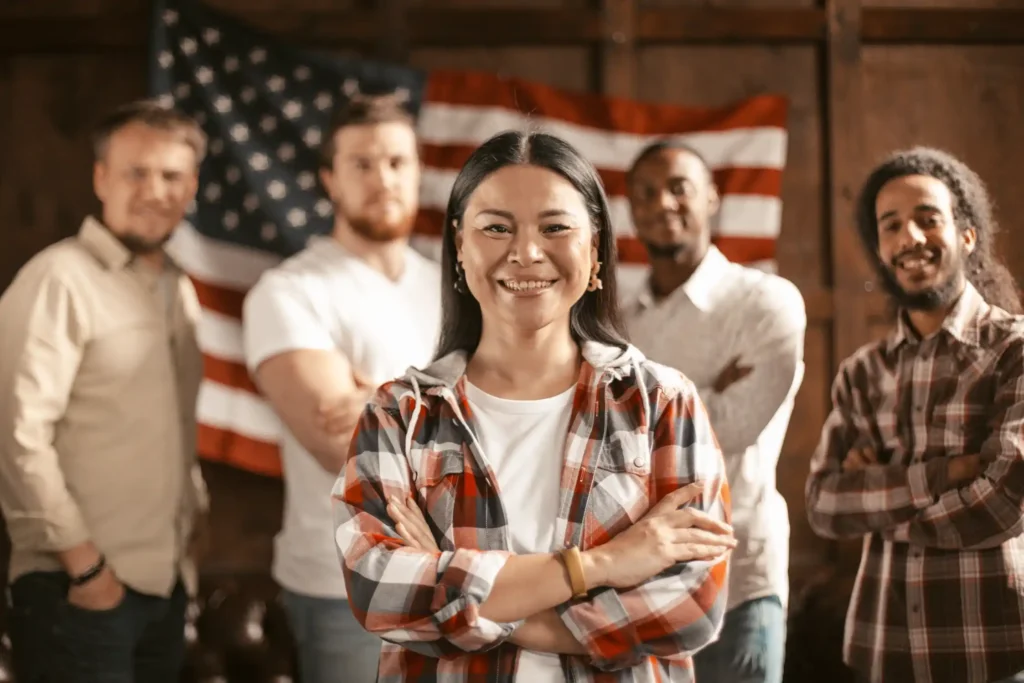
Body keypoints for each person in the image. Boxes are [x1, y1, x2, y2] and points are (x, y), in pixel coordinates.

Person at [331, 129, 737, 683]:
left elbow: (693, 605)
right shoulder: (398, 415)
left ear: (595, 249)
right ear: (459, 248)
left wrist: (457, 595)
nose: (525, 252)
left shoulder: (663, 403)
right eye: (496, 227)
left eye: (555, 227)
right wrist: (601, 566)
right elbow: (378, 589)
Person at [0, 99, 209, 682]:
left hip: (162, 588)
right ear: (100, 178)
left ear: (191, 186)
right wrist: (85, 569)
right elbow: (14, 437)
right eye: (135, 172)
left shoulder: (177, 290)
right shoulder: (58, 279)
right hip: (78, 592)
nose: (154, 190)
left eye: (171, 176)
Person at [241, 91, 441, 683]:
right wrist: (455, 409)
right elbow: (346, 448)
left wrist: (386, 401)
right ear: (329, 178)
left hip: (461, 575)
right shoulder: (289, 292)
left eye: (397, 162)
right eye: (362, 164)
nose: (383, 178)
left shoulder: (453, 289)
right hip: (348, 587)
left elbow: (514, 413)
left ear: (418, 171)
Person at [805, 147, 1024, 683]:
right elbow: (824, 505)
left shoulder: (1014, 350)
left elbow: (1005, 497)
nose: (910, 238)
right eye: (891, 226)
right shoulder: (861, 372)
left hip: (993, 647)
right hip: (885, 646)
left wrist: (879, 497)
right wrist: (946, 474)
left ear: (967, 235)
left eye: (928, 219)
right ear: (881, 250)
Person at [622, 139, 806, 683]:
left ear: (712, 199)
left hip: (739, 578)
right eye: (646, 193)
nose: (662, 203)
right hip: (640, 586)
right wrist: (706, 390)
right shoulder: (621, 324)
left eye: (678, 187)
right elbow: (602, 442)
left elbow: (731, 431)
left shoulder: (765, 301)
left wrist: (647, 417)